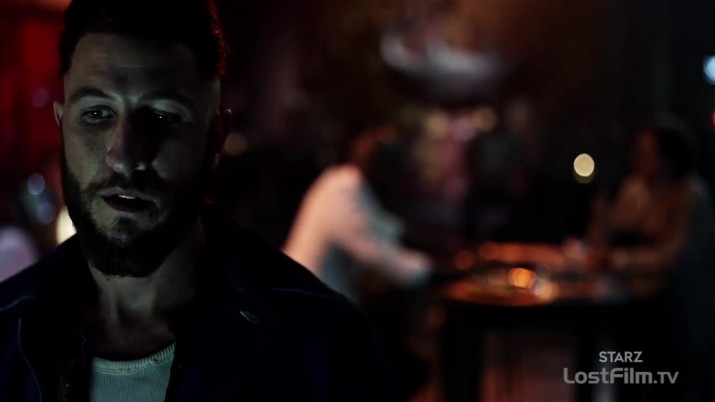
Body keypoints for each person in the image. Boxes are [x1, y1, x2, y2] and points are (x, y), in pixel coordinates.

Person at [0, 1, 400, 401]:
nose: (124, 156)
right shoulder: (6, 333)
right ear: (61, 125)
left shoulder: (324, 350)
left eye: (162, 117)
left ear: (215, 137)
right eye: (97, 114)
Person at [283, 125, 432, 302]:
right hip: (305, 303)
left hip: (316, 298)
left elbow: (389, 228)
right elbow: (384, 259)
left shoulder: (344, 182)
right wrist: (445, 269)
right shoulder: (342, 192)